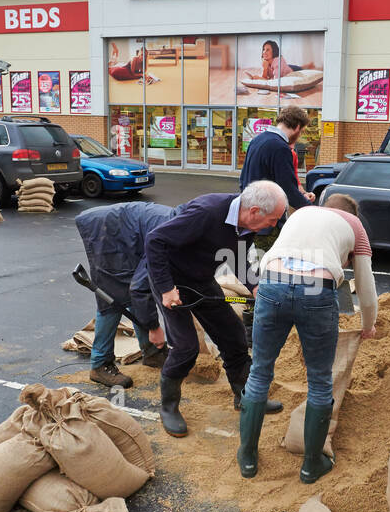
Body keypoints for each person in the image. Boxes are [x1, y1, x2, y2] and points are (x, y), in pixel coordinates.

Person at [237, 192, 379, 483]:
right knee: (319, 380)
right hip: (317, 289)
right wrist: (368, 325)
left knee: (260, 372)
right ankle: (310, 465)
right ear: (351, 213)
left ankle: (248, 457)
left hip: (272, 284)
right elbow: (365, 286)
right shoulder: (355, 225)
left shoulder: (300, 214)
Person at [145, 180, 289, 437]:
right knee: (186, 345)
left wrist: (256, 288)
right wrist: (166, 289)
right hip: (170, 279)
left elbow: (239, 255)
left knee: (232, 333)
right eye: (274, 219)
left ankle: (243, 395)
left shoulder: (245, 224)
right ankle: (169, 406)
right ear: (255, 211)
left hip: (200, 280)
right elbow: (155, 240)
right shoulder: (206, 212)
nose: (274, 225)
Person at [74, 202, 176, 389]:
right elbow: (140, 287)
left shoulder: (185, 232)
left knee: (134, 290)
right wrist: (154, 327)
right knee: (112, 297)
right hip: (107, 231)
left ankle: (152, 352)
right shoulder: (170, 240)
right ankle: (100, 364)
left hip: (129, 233)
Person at [238, 106, 313, 341]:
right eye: (301, 132)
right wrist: (312, 210)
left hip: (252, 216)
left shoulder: (259, 139)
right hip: (268, 222)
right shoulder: (280, 147)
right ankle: (258, 329)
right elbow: (288, 190)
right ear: (298, 128)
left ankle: (253, 325)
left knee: (256, 269)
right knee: (270, 273)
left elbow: (244, 179)